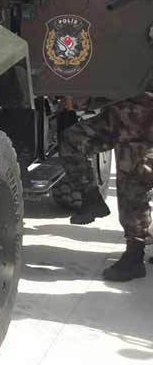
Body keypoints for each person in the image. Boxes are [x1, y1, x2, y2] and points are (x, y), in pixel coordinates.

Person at [59, 94, 153, 282]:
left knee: (133, 185)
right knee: (72, 139)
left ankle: (135, 255)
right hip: (121, 115)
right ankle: (91, 198)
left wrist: (78, 101)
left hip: (140, 119)